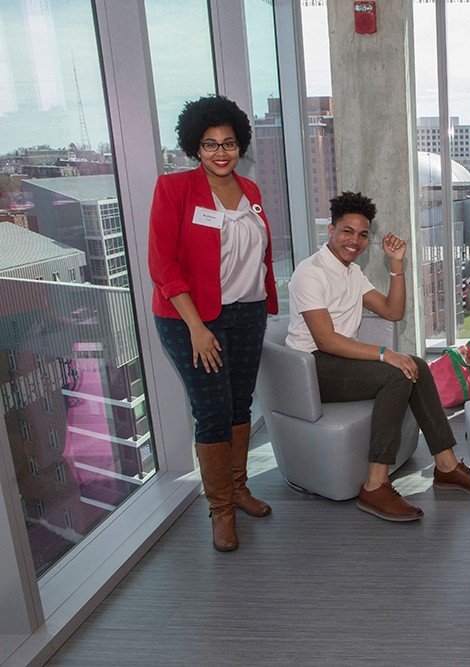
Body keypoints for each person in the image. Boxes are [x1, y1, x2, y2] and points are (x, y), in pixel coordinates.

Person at [286, 191, 470, 522]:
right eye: (347, 231)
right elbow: (327, 340)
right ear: (330, 230)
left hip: (339, 361)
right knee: (396, 372)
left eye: (362, 234)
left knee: (415, 364)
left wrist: (396, 265)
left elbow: (392, 310)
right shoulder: (309, 272)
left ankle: (446, 464)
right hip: (309, 368)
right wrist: (385, 354)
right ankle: (375, 484)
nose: (355, 241)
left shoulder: (351, 272)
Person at [149, 95, 278, 552]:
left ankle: (239, 488)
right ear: (195, 147)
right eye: (209, 145)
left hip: (247, 312)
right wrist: (197, 328)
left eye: (228, 143)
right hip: (193, 319)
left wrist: (258, 304)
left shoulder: (251, 191)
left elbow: (252, 255)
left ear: (239, 144)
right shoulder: (175, 189)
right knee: (212, 411)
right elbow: (164, 266)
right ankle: (220, 509)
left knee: (240, 402)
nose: (220, 153)